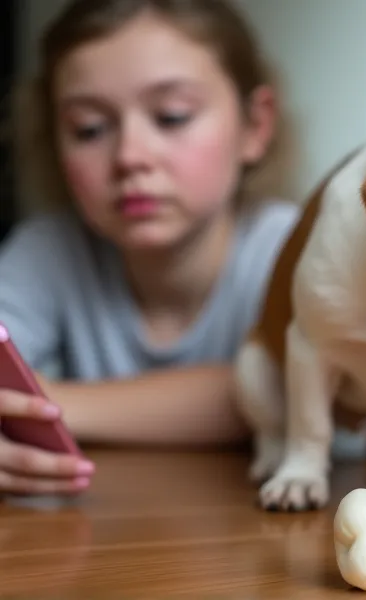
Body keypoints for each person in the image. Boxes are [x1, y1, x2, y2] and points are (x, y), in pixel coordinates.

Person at [0, 0, 299, 495]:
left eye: (171, 116)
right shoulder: (48, 251)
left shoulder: (290, 247)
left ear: (255, 126)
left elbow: (280, 390)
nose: (130, 157)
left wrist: (45, 402)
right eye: (89, 128)